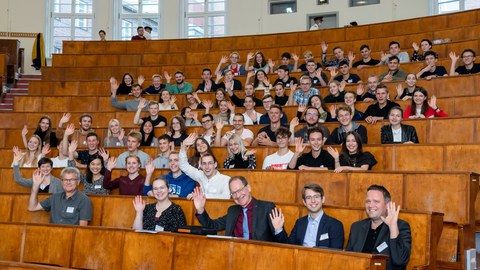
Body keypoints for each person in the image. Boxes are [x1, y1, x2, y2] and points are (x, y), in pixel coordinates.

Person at [191, 176, 278, 241]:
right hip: (235, 254)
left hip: (260, 258)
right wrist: (200, 209)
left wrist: (278, 230)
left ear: (248, 188)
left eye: (240, 190)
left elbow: (281, 241)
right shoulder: (233, 211)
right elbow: (213, 226)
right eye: (234, 193)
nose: (238, 196)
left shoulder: (266, 208)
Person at [346, 185, 411, 270]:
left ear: (387, 205)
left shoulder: (401, 226)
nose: (370, 205)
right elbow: (348, 259)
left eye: (376, 201)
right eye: (368, 201)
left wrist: (393, 227)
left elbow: (400, 261)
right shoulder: (356, 227)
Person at [270, 183, 344, 248]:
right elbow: (289, 247)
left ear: (323, 199)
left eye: (316, 196)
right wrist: (278, 230)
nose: (313, 200)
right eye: (308, 197)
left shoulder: (335, 225)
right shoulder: (299, 223)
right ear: (304, 202)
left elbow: (336, 255)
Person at [27, 167, 93, 226]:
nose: (68, 182)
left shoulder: (84, 200)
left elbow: (82, 228)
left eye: (72, 180)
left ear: (78, 182)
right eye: (65, 180)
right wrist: (36, 185)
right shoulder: (55, 197)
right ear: (61, 182)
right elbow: (32, 207)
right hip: (53, 235)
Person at [179, 133, 230, 199]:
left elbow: (226, 197)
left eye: (210, 163)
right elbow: (184, 166)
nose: (207, 166)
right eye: (204, 164)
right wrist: (183, 147)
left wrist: (201, 196)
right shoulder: (201, 175)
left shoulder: (226, 179)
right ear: (201, 166)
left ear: (215, 164)